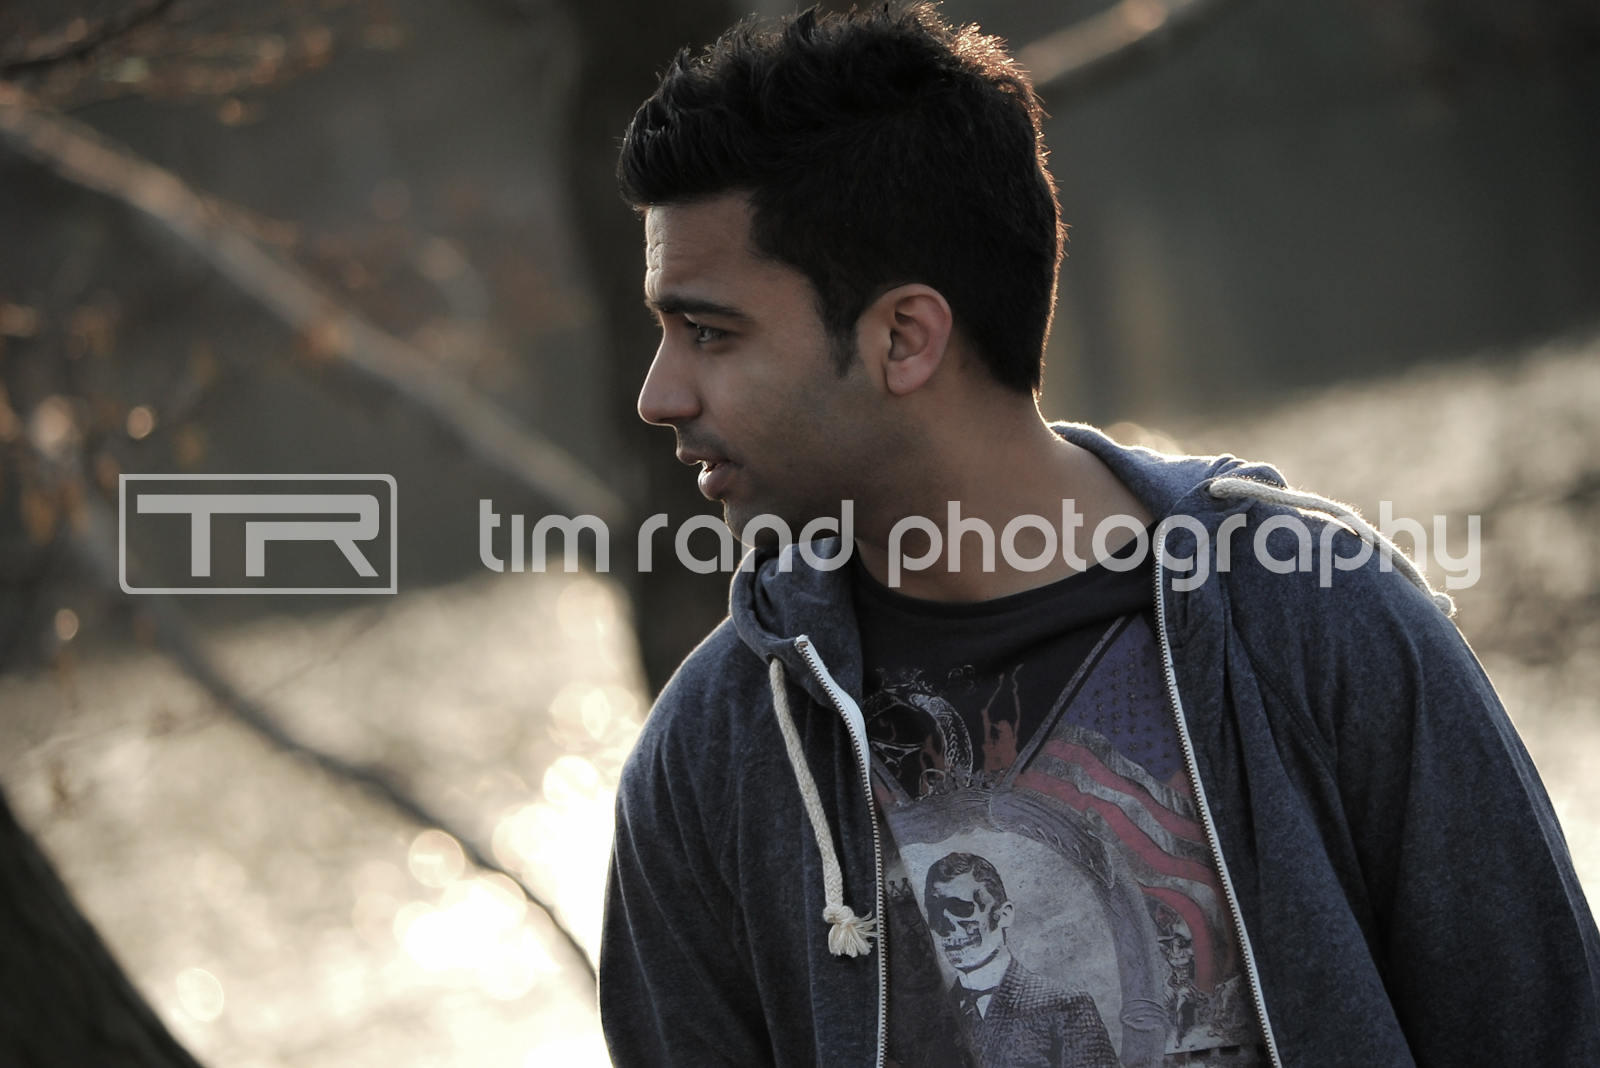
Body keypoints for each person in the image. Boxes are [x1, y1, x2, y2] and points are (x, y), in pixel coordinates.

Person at [598, 6, 1600, 1068]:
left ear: (903, 337)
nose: (659, 396)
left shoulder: (1316, 623)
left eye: (709, 332)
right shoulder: (710, 758)